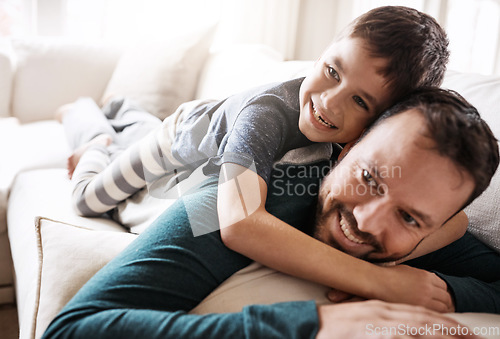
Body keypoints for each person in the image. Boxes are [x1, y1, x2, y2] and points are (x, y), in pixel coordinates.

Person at [58, 6, 462, 308]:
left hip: (212, 142)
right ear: (323, 52)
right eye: (332, 71)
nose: (329, 102)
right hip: (179, 137)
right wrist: (379, 280)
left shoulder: (367, 150)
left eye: (360, 101)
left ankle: (122, 110)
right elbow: (241, 222)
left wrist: (398, 257)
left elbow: (457, 222)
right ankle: (92, 132)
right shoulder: (267, 114)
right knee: (88, 197)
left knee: (135, 124)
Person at [43, 88, 499, 338]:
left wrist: (443, 292)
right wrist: (313, 322)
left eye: (411, 219)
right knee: (115, 137)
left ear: (440, 227)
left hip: (191, 147)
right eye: (370, 179)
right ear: (346, 151)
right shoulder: (240, 204)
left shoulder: (434, 220)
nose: (367, 221)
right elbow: (74, 329)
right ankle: (90, 115)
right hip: (159, 173)